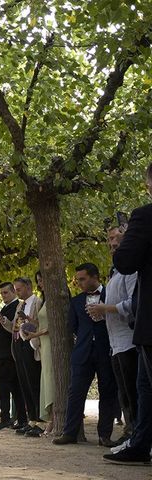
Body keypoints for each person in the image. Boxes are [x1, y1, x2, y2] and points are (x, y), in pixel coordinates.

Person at [105, 163, 152, 466]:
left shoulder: (145, 215)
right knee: (144, 386)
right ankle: (140, 442)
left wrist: (127, 237)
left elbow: (124, 261)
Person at [52, 263, 119, 447]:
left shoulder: (111, 296)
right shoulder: (76, 301)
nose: (79, 283)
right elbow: (72, 327)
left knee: (108, 392)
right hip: (82, 353)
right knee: (75, 393)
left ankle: (104, 436)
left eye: (82, 279)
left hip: (107, 350)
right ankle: (69, 433)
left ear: (95, 276)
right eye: (78, 279)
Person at [86, 227, 137, 445]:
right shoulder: (115, 273)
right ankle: (131, 434)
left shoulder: (132, 270)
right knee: (124, 395)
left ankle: (136, 437)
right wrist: (101, 314)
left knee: (133, 394)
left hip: (129, 342)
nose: (112, 243)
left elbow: (134, 304)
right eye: (109, 240)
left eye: (116, 238)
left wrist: (105, 309)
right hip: (115, 344)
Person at [1, 277, 43, 436]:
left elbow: (39, 324)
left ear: (28, 287)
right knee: (24, 382)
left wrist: (27, 323)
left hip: (30, 344)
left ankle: (40, 420)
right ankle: (30, 419)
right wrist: (3, 321)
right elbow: (14, 326)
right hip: (17, 344)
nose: (17, 292)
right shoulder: (20, 304)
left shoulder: (37, 302)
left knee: (33, 382)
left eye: (18, 289)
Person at [0, 282, 28, 430]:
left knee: (5, 384)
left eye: (5, 293)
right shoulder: (6, 308)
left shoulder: (16, 307)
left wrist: (2, 321)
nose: (3, 296)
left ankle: (6, 418)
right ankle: (20, 419)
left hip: (8, 353)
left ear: (13, 292)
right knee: (14, 386)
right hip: (2, 354)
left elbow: (14, 328)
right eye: (1, 293)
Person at [25, 271, 54, 435]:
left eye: (42, 279)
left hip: (49, 343)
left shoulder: (53, 298)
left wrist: (35, 334)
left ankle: (52, 421)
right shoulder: (44, 300)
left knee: (50, 380)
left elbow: (53, 325)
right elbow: (42, 322)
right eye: (38, 280)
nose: (40, 283)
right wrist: (30, 322)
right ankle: (50, 418)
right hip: (43, 345)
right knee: (46, 380)